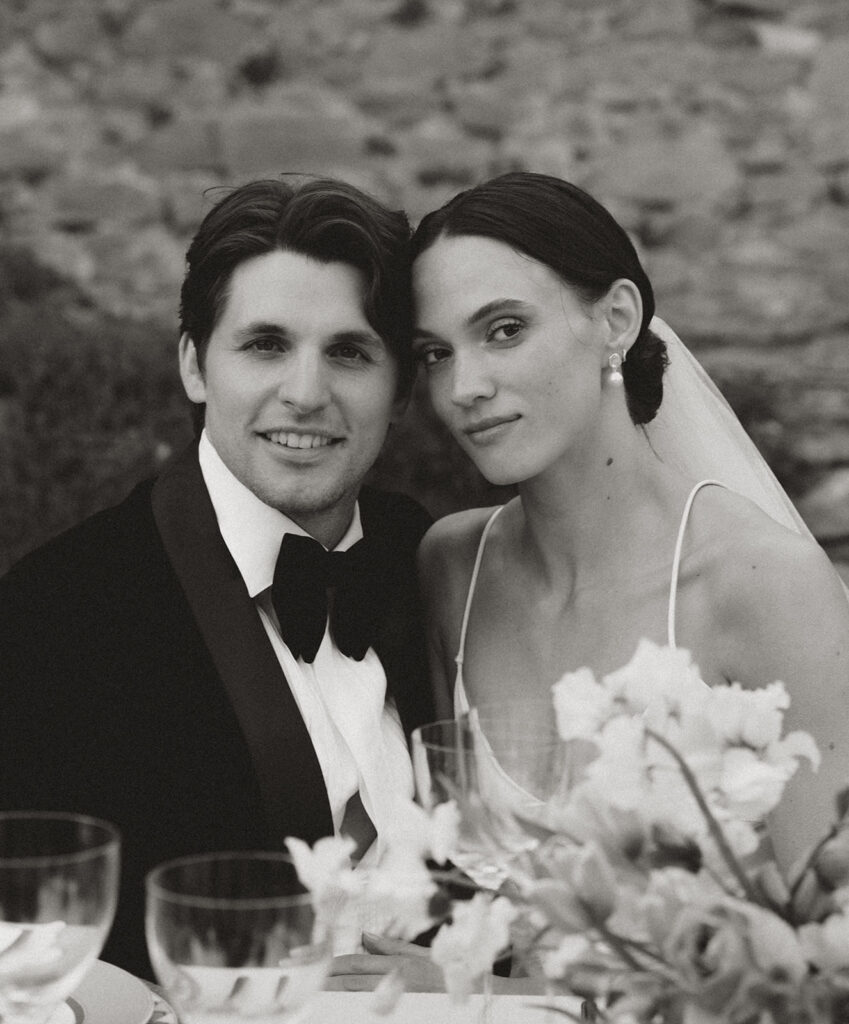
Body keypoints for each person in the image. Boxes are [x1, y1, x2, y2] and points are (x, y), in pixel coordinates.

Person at [0, 176, 435, 979]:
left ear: (400, 389)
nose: (305, 394)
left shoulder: (436, 566)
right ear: (195, 367)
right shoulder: (51, 617)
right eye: (266, 344)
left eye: (348, 351)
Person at [410, 171, 849, 872]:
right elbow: (452, 882)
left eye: (505, 330)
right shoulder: (453, 569)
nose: (464, 387)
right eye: (435, 353)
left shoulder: (767, 586)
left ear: (615, 319)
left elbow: (834, 940)